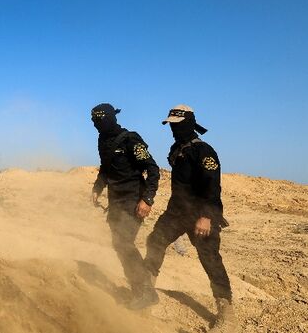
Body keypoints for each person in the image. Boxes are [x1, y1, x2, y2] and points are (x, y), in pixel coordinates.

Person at [144, 105, 234, 331]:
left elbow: (212, 186)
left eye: (177, 124)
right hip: (177, 212)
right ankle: (144, 292)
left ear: (189, 123)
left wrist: (206, 216)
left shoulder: (204, 151)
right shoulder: (179, 148)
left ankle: (226, 310)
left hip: (201, 214)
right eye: (171, 124)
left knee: (209, 257)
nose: (173, 128)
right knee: (155, 240)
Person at [90, 103, 160, 309]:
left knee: (124, 243)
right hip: (115, 202)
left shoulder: (130, 139)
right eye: (94, 121)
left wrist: (147, 199)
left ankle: (147, 292)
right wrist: (97, 188)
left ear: (111, 118)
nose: (97, 124)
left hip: (134, 200)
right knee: (118, 244)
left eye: (101, 120)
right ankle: (138, 289)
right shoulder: (103, 140)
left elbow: (153, 169)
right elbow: (105, 168)